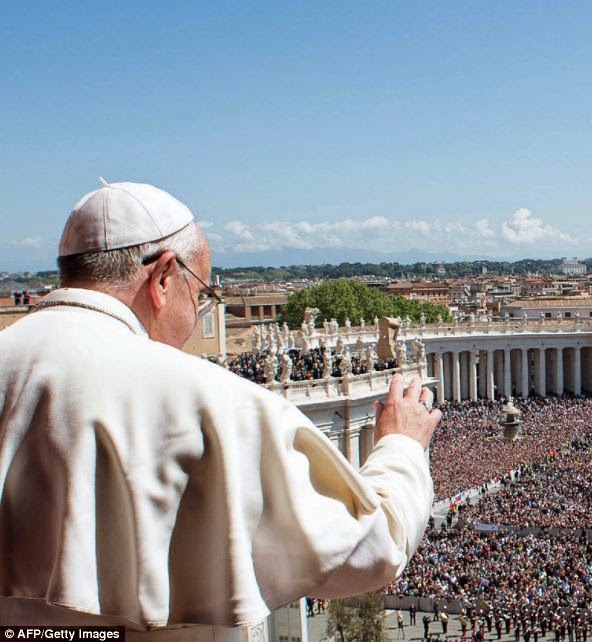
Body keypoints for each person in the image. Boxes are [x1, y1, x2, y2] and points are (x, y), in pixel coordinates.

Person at [0, 181, 441, 639]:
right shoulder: (215, 403)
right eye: (200, 295)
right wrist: (401, 447)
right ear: (164, 277)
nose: (196, 316)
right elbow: (368, 550)